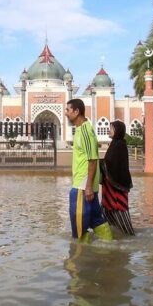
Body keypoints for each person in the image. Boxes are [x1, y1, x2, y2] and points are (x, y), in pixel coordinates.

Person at [64, 98, 113, 243]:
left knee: (78, 224)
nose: (66, 113)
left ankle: (78, 258)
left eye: (68, 110)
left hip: (82, 185)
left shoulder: (85, 130)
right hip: (85, 184)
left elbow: (92, 159)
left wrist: (88, 187)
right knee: (95, 219)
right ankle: (110, 246)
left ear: (77, 111)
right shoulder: (80, 130)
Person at [100, 120, 135, 235]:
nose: (109, 130)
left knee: (120, 213)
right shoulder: (115, 144)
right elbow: (109, 163)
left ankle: (129, 238)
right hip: (110, 190)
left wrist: (99, 163)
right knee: (106, 213)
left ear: (117, 131)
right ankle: (111, 236)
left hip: (117, 190)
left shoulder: (119, 145)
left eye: (111, 128)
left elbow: (114, 165)